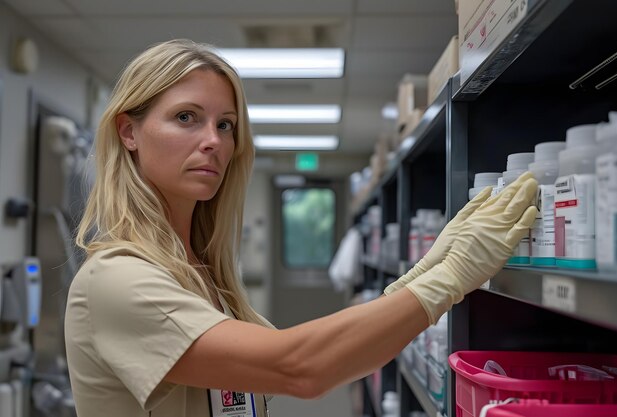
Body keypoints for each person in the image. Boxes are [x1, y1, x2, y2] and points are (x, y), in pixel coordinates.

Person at [64, 38, 538, 417]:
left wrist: (427, 269)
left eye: (225, 125)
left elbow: (342, 356)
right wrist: (449, 277)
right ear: (128, 131)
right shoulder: (118, 279)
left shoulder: (200, 274)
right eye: (186, 117)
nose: (213, 141)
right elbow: (299, 366)